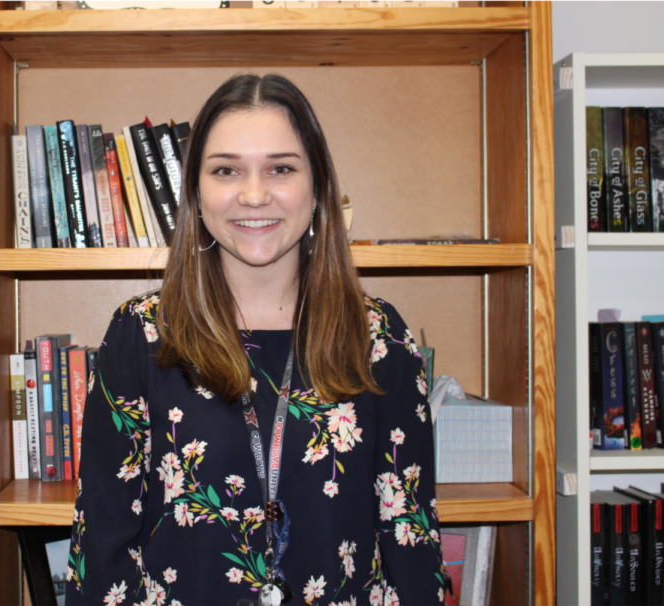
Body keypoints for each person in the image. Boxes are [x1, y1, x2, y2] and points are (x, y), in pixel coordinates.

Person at [66, 74, 445, 606]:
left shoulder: (379, 338)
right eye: (226, 170)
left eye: (281, 168)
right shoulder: (142, 333)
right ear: (196, 194)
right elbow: (101, 544)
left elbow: (411, 536)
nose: (253, 194)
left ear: (318, 190)